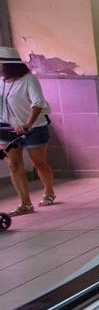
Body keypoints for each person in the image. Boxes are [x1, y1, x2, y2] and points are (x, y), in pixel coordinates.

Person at [0, 48, 55, 215]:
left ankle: (48, 191)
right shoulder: (1, 82)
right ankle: (25, 203)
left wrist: (27, 124)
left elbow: (38, 102)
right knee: (14, 164)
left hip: (33, 127)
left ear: (8, 64)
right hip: (6, 129)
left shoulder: (29, 80)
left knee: (38, 163)